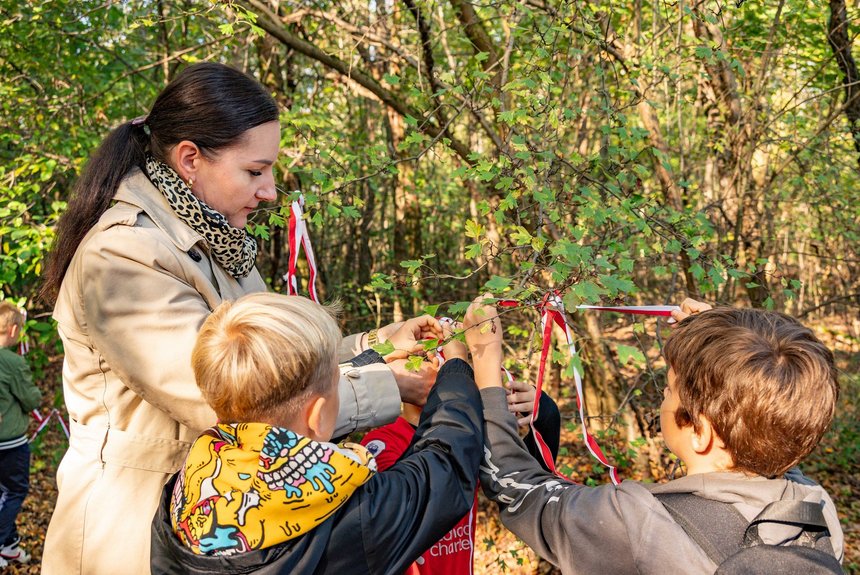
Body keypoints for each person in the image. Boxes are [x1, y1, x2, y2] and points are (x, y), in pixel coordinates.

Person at [40, 62, 440, 575]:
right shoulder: (122, 256)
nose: (270, 190)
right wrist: (395, 385)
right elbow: (235, 401)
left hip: (210, 513)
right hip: (129, 532)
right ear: (190, 159)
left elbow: (271, 359)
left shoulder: (217, 243)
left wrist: (380, 343)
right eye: (255, 171)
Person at [472, 296, 844, 574]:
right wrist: (718, 338)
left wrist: (485, 368)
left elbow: (517, 487)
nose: (662, 398)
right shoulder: (816, 509)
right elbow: (778, 422)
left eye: (668, 390)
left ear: (700, 431)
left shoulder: (635, 522)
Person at [150, 292, 485, 574]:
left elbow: (284, 404)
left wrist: (379, 358)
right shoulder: (351, 520)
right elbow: (446, 467)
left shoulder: (189, 486)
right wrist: (456, 368)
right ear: (319, 414)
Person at [360, 358, 560, 574]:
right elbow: (406, 504)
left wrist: (545, 419)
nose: (440, 366)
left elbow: (521, 485)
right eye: (428, 357)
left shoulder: (468, 435)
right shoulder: (381, 442)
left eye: (448, 358)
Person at [0, 302, 42, 568]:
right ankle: (2, 541)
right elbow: (31, 399)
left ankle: (9, 545)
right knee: (16, 490)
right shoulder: (12, 362)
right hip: (10, 443)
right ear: (14, 330)